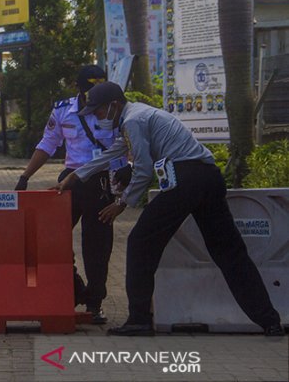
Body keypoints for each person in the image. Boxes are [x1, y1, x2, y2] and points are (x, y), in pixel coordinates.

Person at [55, 82, 284, 336]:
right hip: (208, 177)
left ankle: (139, 320)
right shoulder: (137, 116)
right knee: (230, 253)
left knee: (140, 242)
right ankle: (270, 321)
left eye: (98, 112)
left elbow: (142, 169)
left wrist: (121, 203)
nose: (97, 118)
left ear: (114, 105)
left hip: (184, 180)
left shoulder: (133, 121)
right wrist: (75, 176)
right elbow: (112, 153)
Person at [14, 65, 121, 324]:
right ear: (78, 88)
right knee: (52, 238)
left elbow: (122, 149)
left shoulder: (114, 109)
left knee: (97, 247)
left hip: (103, 182)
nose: (92, 98)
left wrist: (120, 191)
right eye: (87, 92)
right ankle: (75, 289)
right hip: (71, 181)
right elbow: (48, 144)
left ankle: (94, 303)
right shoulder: (63, 110)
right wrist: (25, 176)